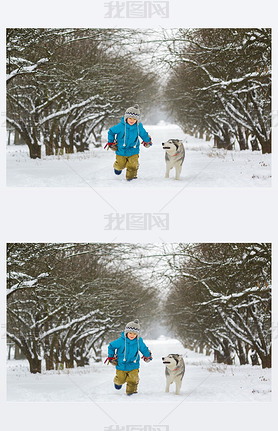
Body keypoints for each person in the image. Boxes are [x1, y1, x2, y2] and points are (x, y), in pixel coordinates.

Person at [105, 319, 152, 395]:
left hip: (134, 364)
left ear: (137, 334)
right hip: (121, 365)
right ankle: (117, 383)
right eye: (130, 333)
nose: (132, 335)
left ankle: (131, 393)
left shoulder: (138, 341)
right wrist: (111, 357)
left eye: (134, 334)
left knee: (133, 380)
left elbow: (143, 348)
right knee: (120, 379)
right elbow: (111, 346)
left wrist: (148, 356)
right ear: (126, 332)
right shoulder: (120, 341)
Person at [105, 104, 152, 181]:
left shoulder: (138, 126)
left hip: (134, 150)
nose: (131, 120)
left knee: (133, 165)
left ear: (137, 119)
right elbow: (111, 131)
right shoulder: (120, 126)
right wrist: (111, 142)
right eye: (130, 118)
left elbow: (143, 134)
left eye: (134, 119)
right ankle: (117, 168)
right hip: (121, 150)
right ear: (126, 118)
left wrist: (147, 141)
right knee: (120, 164)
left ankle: (131, 178)